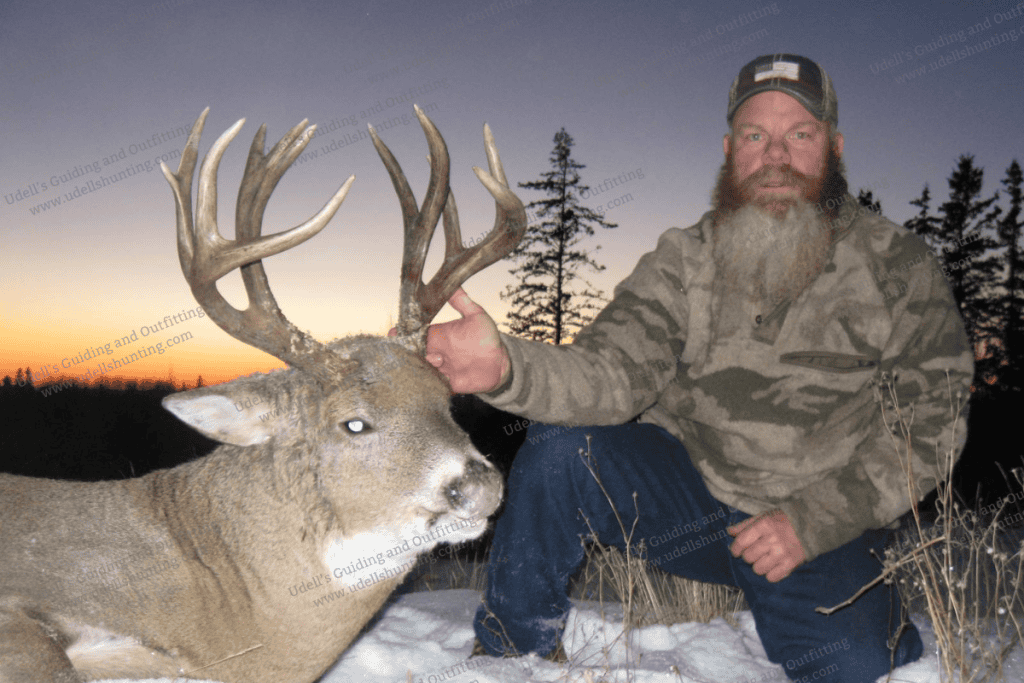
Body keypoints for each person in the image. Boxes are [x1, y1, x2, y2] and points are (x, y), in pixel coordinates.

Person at [421, 54, 973, 683]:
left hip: (818, 529)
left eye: (800, 135)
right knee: (563, 450)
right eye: (755, 136)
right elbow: (610, 374)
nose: (775, 156)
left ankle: (873, 624)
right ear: (729, 148)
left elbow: (932, 420)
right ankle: (510, 655)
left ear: (835, 147)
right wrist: (505, 369)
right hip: (694, 508)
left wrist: (814, 520)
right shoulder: (684, 258)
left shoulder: (896, 264)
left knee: (857, 668)